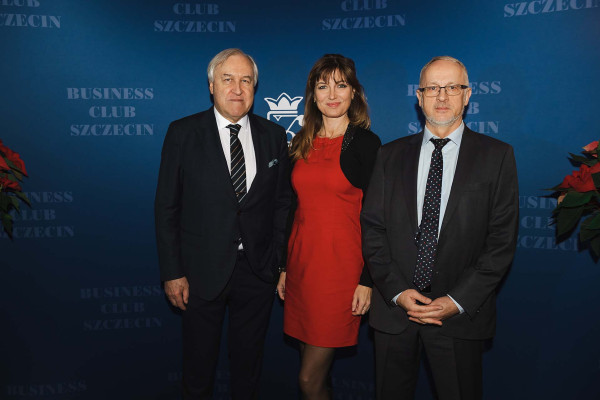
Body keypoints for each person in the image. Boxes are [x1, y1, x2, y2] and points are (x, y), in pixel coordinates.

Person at [361, 56, 519, 400]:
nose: (442, 96)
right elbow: (373, 230)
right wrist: (398, 292)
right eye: (432, 88)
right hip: (394, 312)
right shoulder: (389, 156)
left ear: (468, 95)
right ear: (419, 97)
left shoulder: (497, 156)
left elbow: (501, 241)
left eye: (452, 87)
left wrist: (457, 301)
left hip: (459, 318)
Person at [154, 48, 291, 400]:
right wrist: (172, 272)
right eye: (228, 79)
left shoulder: (274, 136)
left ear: (254, 87)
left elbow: (282, 205)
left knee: (248, 369)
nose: (237, 89)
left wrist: (280, 264)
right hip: (200, 273)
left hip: (257, 273)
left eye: (246, 80)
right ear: (212, 85)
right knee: (198, 371)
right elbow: (167, 207)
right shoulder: (183, 133)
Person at [277, 54, 381, 399]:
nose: (332, 94)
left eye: (341, 85)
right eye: (323, 86)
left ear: (354, 93)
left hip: (341, 274)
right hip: (302, 269)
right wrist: (284, 267)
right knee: (315, 378)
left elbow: (379, 218)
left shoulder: (366, 144)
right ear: (313, 95)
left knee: (309, 380)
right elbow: (292, 210)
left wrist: (368, 280)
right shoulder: (299, 142)